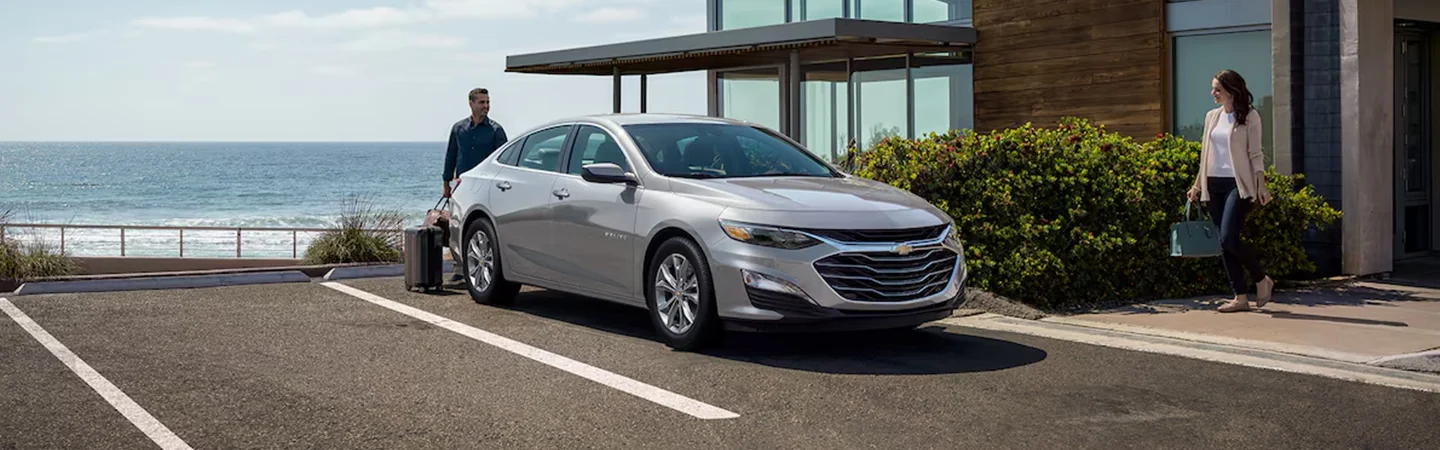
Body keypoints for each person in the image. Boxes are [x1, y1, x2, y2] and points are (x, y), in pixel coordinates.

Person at [1187, 69, 1274, 313]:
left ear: (1232, 91)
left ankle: (1261, 278)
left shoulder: (1250, 117)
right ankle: (1240, 298)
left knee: (1228, 237)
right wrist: (1197, 185)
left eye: (1218, 89)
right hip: (1213, 184)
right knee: (1224, 244)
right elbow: (1205, 155)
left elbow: (1255, 154)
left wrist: (1261, 185)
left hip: (1238, 184)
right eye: (1213, 88)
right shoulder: (1212, 117)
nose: (1212, 93)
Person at [443, 87, 508, 285]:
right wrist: (446, 183)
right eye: (482, 102)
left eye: (487, 102)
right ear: (471, 103)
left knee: (480, 227)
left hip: (485, 187)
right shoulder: (458, 128)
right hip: (462, 186)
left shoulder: (496, 130)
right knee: (456, 227)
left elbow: (504, 161)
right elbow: (451, 155)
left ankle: (484, 268)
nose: (486, 106)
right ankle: (459, 269)